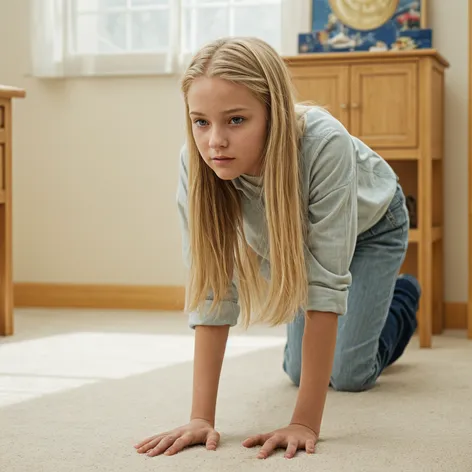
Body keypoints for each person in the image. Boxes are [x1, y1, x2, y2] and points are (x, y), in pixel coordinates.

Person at [134, 36, 421, 460]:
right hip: (294, 237)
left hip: (373, 225)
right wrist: (201, 417)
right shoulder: (196, 164)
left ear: (274, 112)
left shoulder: (325, 143)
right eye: (201, 122)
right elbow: (213, 286)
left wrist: (303, 422)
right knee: (297, 370)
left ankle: (403, 295)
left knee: (349, 375)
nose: (215, 141)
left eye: (235, 120)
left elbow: (324, 284)